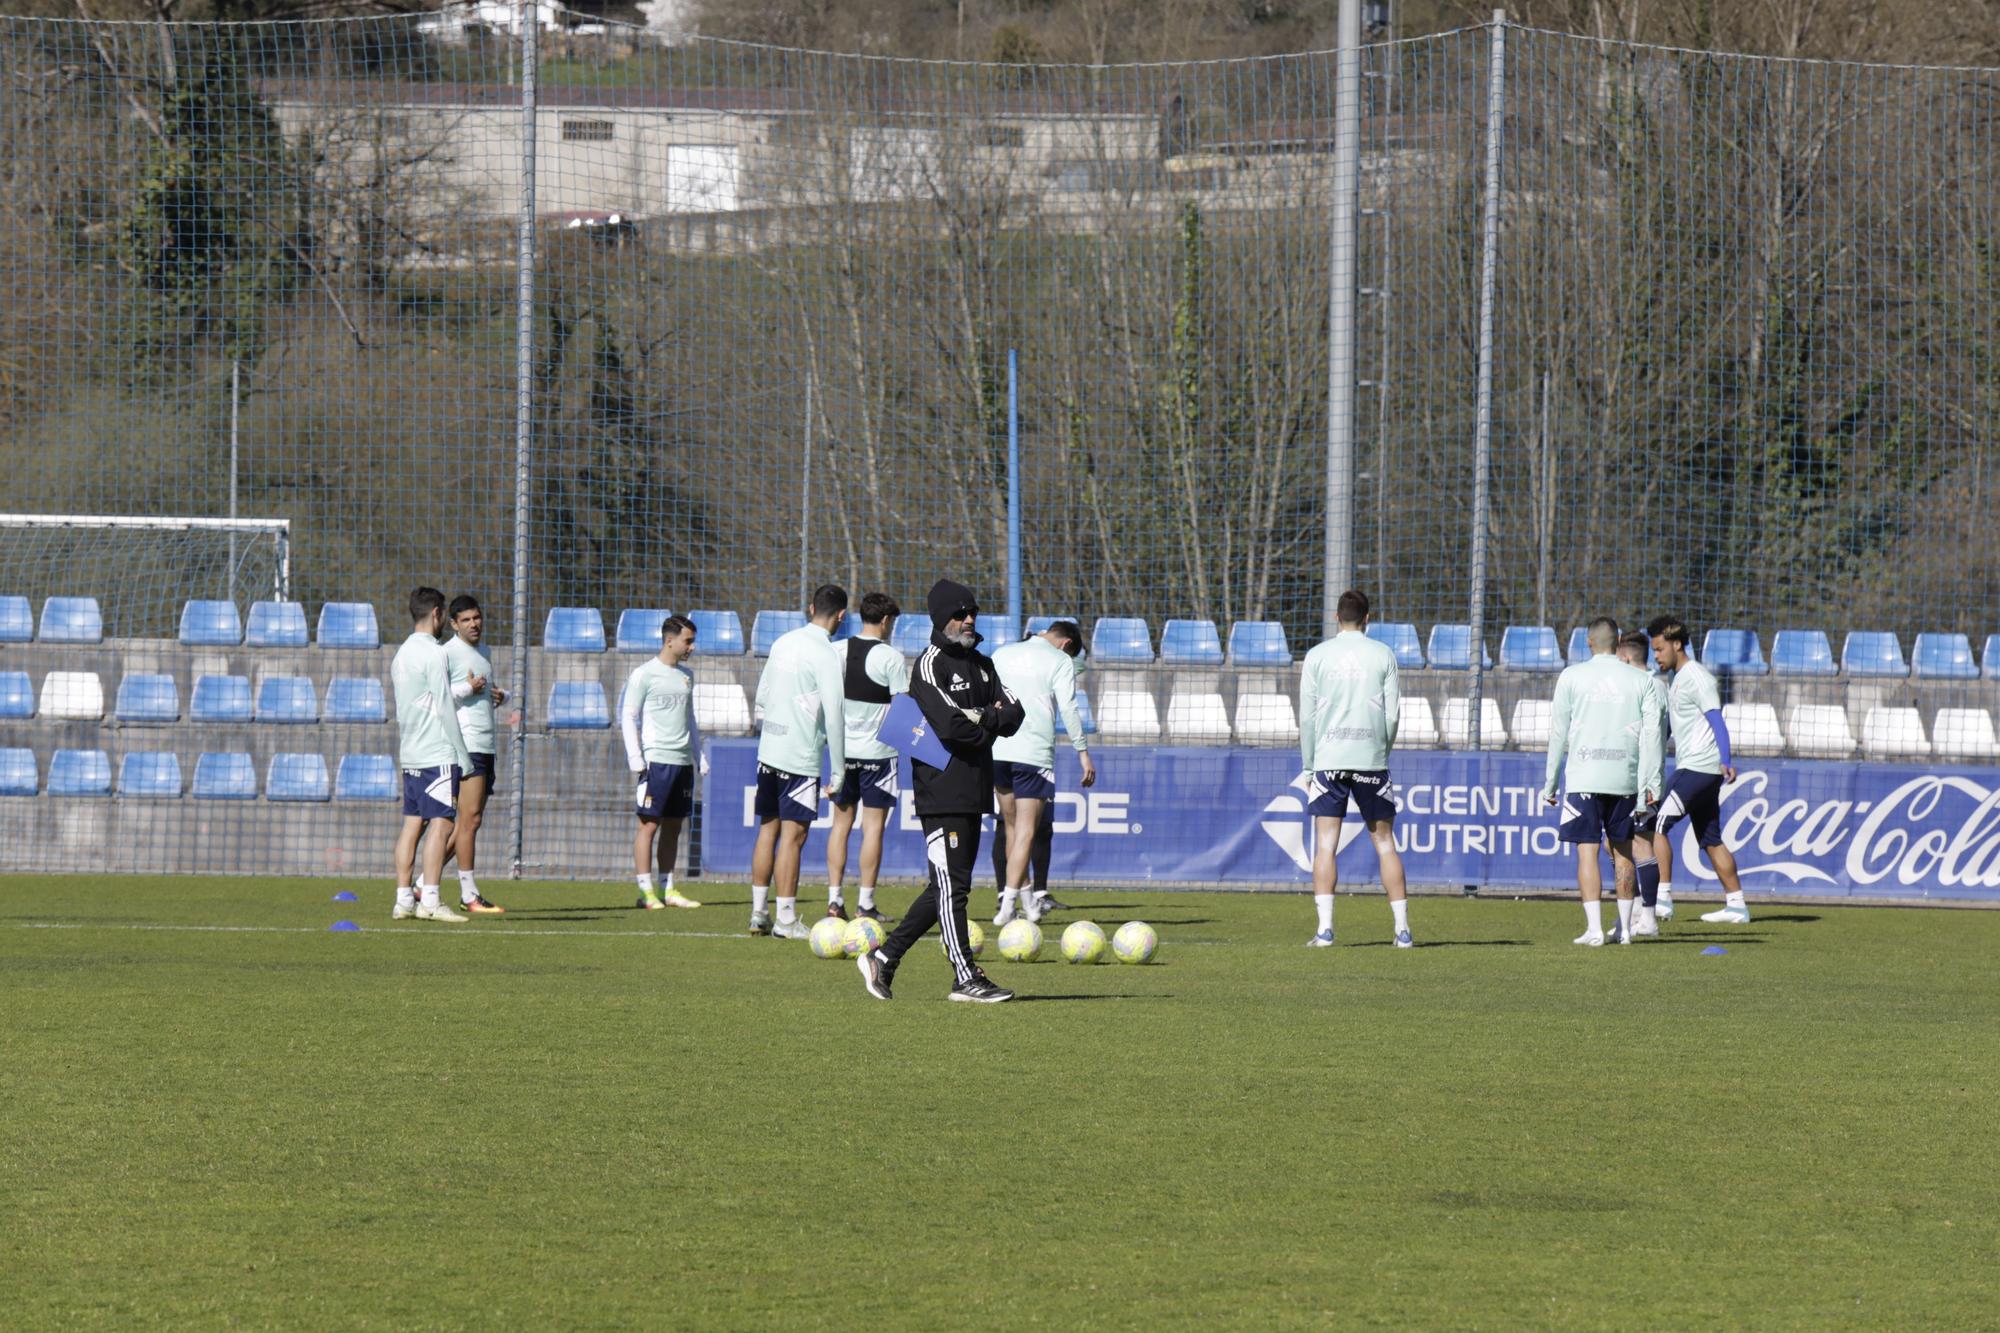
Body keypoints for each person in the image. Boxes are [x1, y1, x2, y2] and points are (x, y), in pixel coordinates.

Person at [856, 578, 1024, 1003]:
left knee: (946, 888)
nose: (968, 620)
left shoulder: (985, 665)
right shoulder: (929, 665)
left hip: (975, 787)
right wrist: (989, 719)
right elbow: (949, 728)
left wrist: (978, 719)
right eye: (959, 614)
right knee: (952, 888)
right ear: (940, 619)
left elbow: (1016, 713)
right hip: (940, 789)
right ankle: (965, 977)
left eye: (972, 613)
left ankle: (884, 959)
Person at [1298, 589, 1412, 948]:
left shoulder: (1316, 656)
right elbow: (1392, 715)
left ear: (1336, 618)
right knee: (1384, 844)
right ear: (1367, 619)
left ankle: (1325, 931)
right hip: (1370, 760)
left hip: (1329, 761)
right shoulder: (1383, 654)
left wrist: (1308, 765)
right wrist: (1381, 752)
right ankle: (1402, 931)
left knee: (1326, 845)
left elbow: (1307, 716)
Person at [1543, 616, 1662, 946]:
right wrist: (1651, 782)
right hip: (1625, 779)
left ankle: (1595, 929)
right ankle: (1624, 929)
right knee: (1624, 853)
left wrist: (1550, 782)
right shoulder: (1642, 681)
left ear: (1589, 642)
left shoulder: (1572, 676)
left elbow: (1558, 733)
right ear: (1619, 640)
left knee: (1588, 852)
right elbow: (1652, 736)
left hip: (1584, 777)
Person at [749, 584, 848, 939]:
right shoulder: (827, 654)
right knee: (794, 836)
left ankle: (759, 913)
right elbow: (835, 715)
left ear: (810, 608)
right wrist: (838, 770)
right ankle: (786, 920)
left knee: (767, 829)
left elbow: (761, 696)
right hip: (799, 755)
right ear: (841, 615)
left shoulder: (782, 643)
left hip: (769, 750)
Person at [989, 619, 1095, 927]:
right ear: (1066, 645)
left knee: (1010, 828)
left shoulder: (1003, 653)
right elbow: (1069, 708)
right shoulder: (1060, 660)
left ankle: (1027, 902)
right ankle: (1008, 905)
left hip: (998, 751)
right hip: (1033, 754)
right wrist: (1083, 753)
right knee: (1026, 831)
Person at [1647, 615, 1751, 924]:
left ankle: (1662, 898)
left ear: (1677, 644)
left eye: (1660, 649)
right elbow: (1673, 727)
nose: (1656, 655)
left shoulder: (1698, 677)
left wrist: (1726, 759)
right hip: (1698, 768)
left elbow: (1716, 719)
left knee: (1656, 824)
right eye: (1653, 650)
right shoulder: (1677, 679)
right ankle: (1737, 906)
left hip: (1700, 768)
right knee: (1710, 838)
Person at [390, 586, 475, 923]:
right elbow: (443, 706)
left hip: (410, 752)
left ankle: (403, 900)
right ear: (439, 613)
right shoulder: (435, 653)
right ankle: (431, 900)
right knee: (441, 824)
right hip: (436, 751)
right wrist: (463, 756)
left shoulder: (401, 654)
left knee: (412, 825)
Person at [826, 592, 906, 923]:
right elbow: (902, 708)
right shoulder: (891, 657)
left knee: (840, 825)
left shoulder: (836, 650)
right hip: (878, 755)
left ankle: (834, 899)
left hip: (842, 754)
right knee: (873, 829)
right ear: (886, 621)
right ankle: (866, 904)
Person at [622, 614, 704, 911]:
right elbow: (629, 715)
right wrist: (636, 758)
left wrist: (699, 754)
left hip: (682, 763)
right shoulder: (644, 674)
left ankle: (668, 888)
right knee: (649, 825)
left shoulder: (687, 676)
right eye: (688, 641)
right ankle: (645, 891)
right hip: (656, 761)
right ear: (670, 641)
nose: (692, 647)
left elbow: (690, 718)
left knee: (674, 826)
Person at [442, 595, 507, 915]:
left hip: (486, 744)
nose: (474, 624)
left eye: (477, 617)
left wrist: (500, 695)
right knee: (467, 821)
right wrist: (468, 689)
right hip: (465, 745)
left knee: (470, 822)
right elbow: (437, 699)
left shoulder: (485, 651)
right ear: (453, 624)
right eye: (466, 619)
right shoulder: (448, 653)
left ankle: (423, 881)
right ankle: (469, 895)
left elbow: (484, 693)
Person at [1615, 630, 1669, 936]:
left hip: (1642, 780)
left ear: (1625, 657)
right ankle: (1635, 911)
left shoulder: (1647, 687)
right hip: (1637, 777)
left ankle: (1647, 917)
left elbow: (1651, 737)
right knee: (1620, 845)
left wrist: (1649, 781)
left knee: (1641, 845)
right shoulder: (1656, 686)